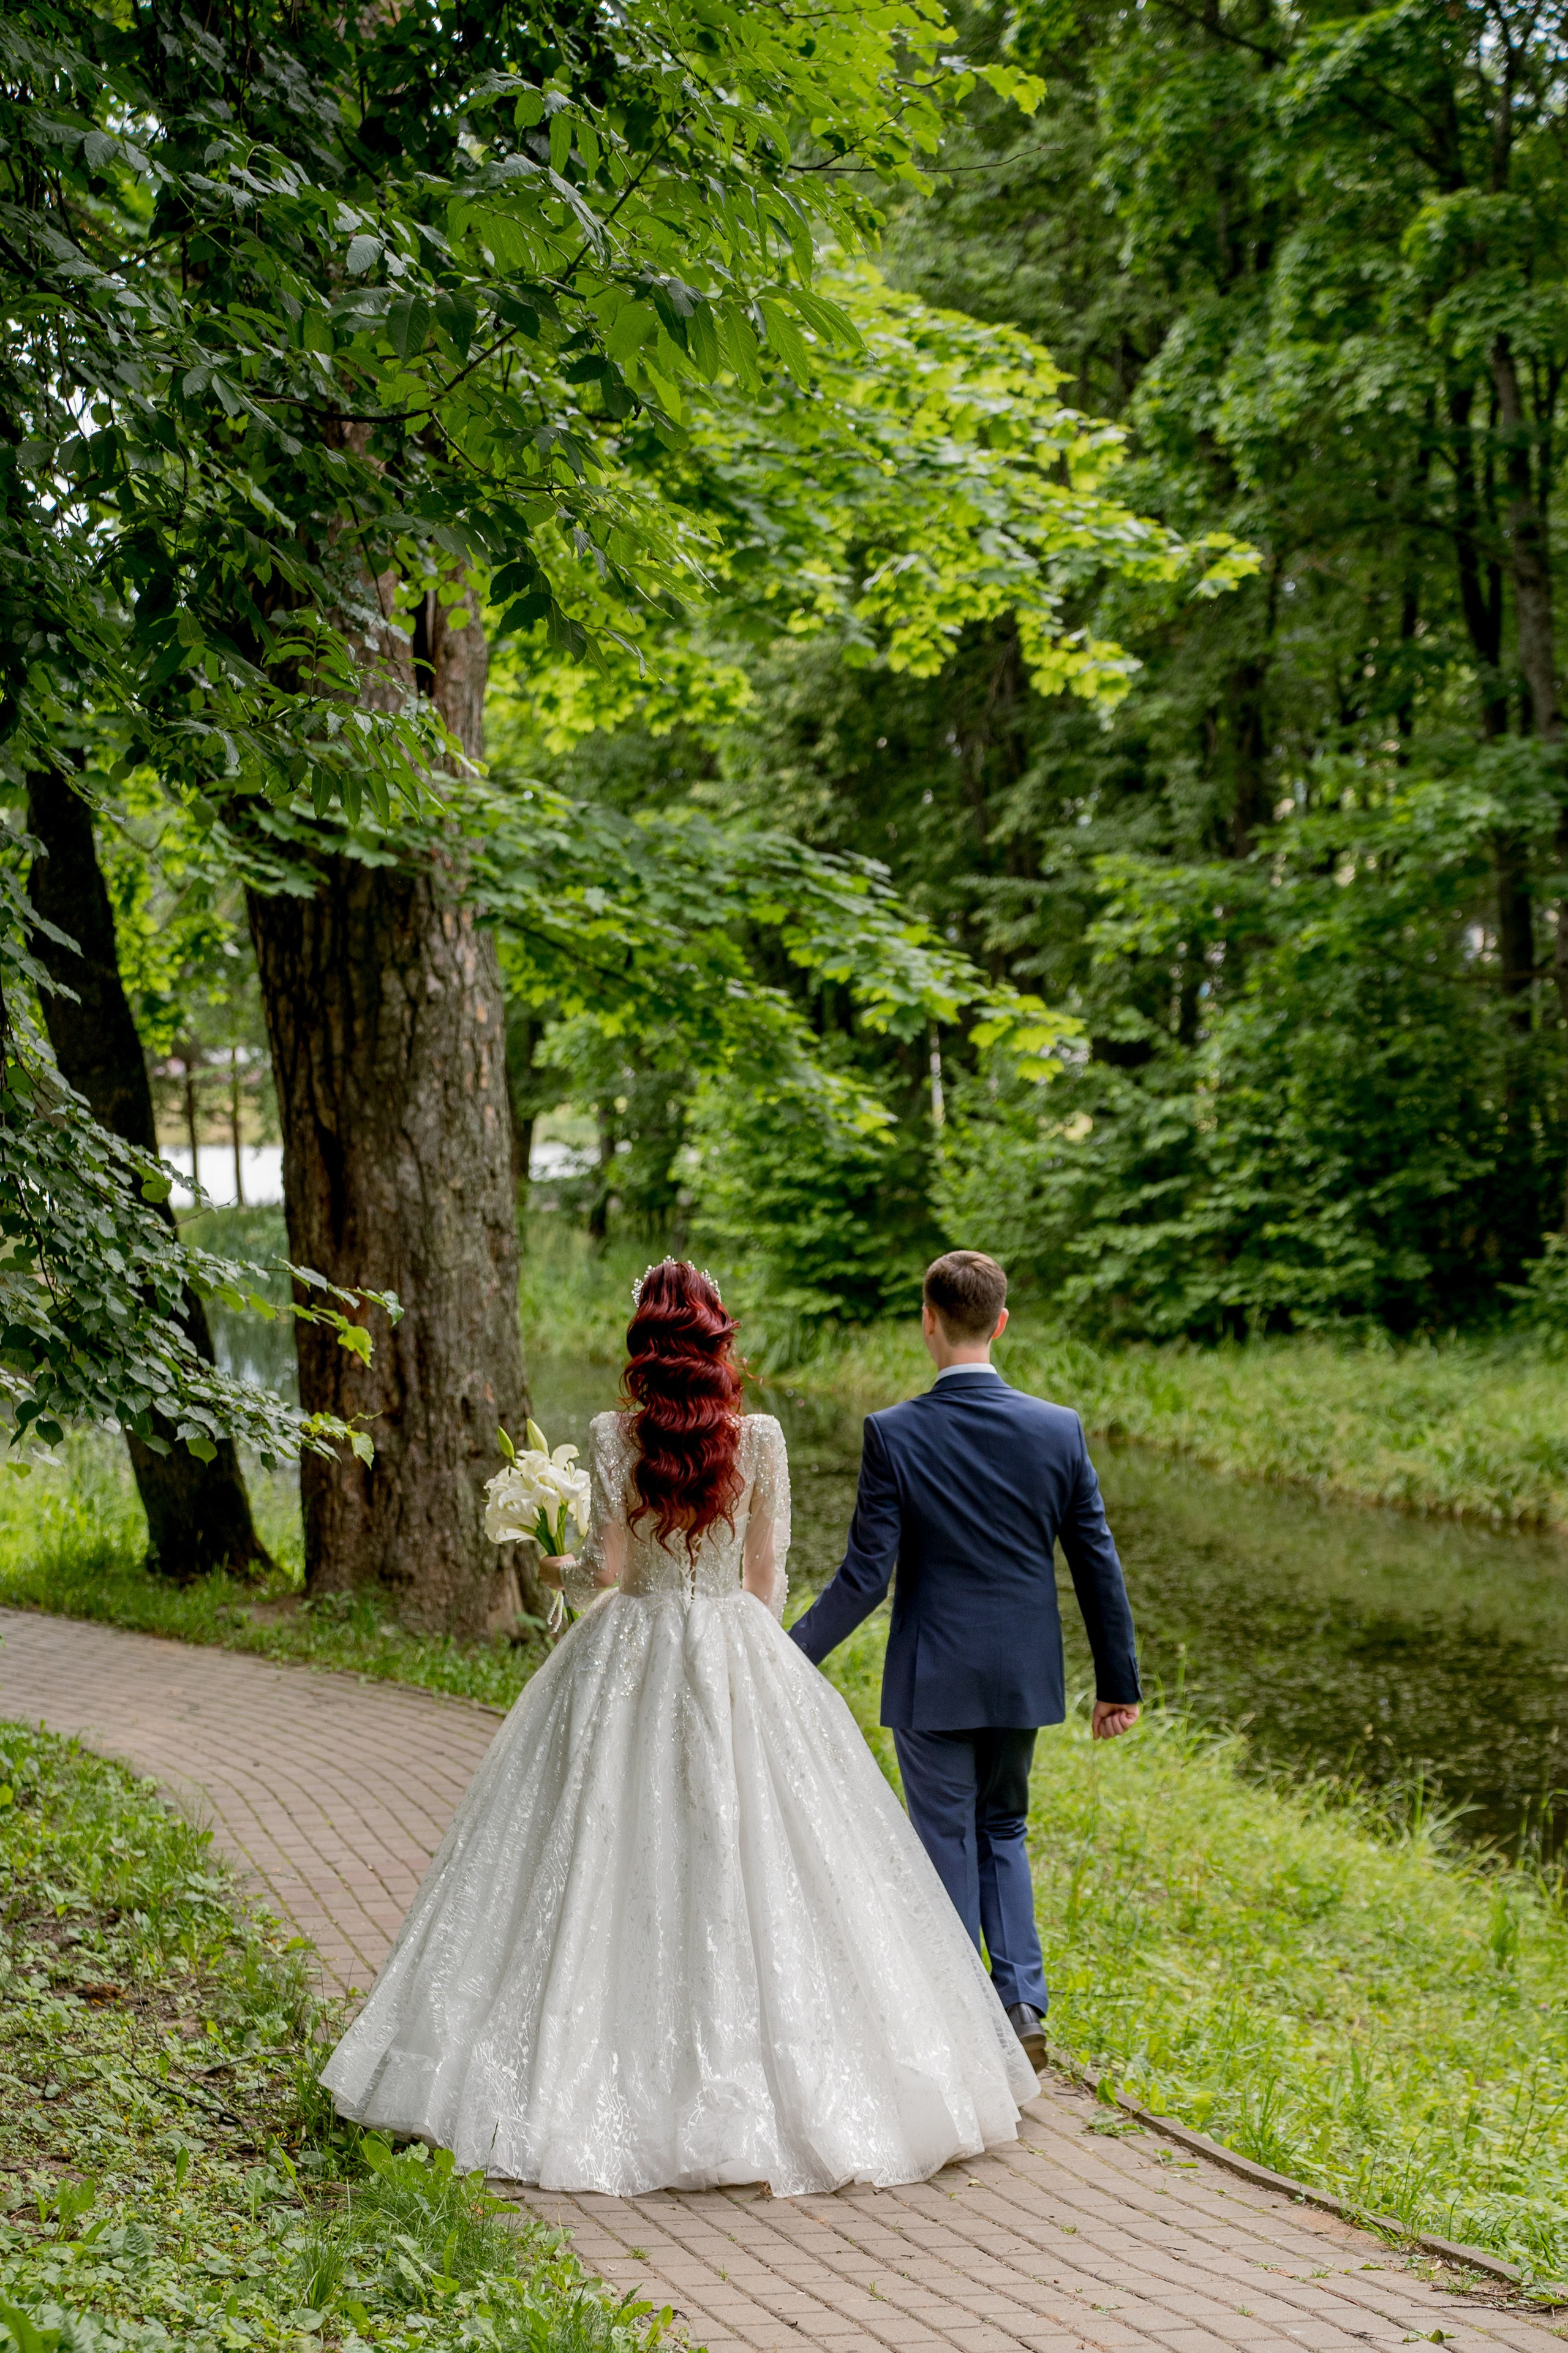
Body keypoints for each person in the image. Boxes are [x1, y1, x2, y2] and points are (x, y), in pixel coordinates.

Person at [320, 1258, 1036, 2196]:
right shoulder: (762, 1436)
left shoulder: (616, 1434)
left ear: (646, 1344)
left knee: (606, 1840)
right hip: (737, 1645)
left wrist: (554, 1572)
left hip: (635, 1649)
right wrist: (753, 1656)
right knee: (768, 1850)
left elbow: (609, 1569)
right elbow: (768, 1572)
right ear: (716, 1340)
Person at [789, 1250, 1140, 2069]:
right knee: (1004, 1827)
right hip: (1022, 1676)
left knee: (943, 1833)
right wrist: (1117, 1684)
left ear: (929, 1320)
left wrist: (786, 1651)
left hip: (933, 1677)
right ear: (1002, 1322)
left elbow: (864, 1580)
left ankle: (955, 2019)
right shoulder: (1058, 1429)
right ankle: (1020, 2002)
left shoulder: (894, 1433)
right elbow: (1098, 1562)